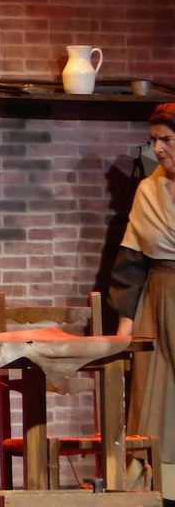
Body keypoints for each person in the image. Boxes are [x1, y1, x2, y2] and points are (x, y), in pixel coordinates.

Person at [109, 102, 175, 504]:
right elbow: (131, 260)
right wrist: (125, 323)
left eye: (166, 139)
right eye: (153, 140)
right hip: (158, 298)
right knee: (154, 393)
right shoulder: (148, 191)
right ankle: (158, 488)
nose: (158, 149)